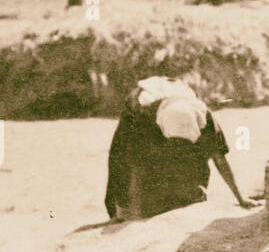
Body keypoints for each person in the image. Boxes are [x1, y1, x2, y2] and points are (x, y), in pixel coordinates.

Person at [104, 77, 255, 221]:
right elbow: (128, 163)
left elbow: (220, 159)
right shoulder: (143, 118)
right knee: (144, 195)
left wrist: (240, 198)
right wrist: (126, 212)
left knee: (189, 193)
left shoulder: (206, 119)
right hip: (150, 114)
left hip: (178, 111)